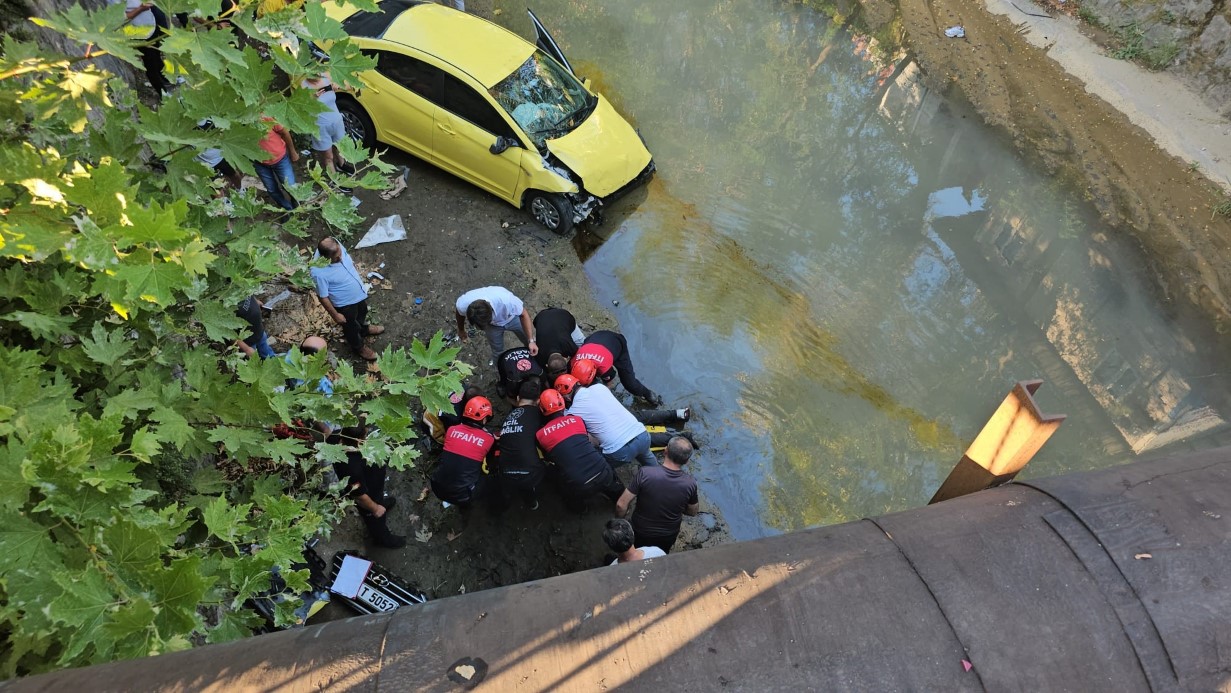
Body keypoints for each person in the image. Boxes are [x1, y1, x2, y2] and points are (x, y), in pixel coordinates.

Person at [535, 389, 624, 512]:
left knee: (559, 480)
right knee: (613, 484)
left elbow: (549, 457)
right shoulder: (577, 420)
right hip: (603, 472)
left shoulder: (540, 435)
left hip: (579, 485)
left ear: (541, 410)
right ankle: (620, 499)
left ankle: (581, 509)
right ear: (562, 403)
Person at [557, 364, 657, 468]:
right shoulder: (599, 387)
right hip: (642, 435)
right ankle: (660, 473)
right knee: (649, 460)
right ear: (578, 382)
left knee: (599, 468)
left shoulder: (572, 413)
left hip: (619, 451)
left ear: (566, 398)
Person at [615, 436, 699, 554]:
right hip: (668, 535)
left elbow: (621, 505)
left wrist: (619, 523)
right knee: (660, 556)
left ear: (665, 451)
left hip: (640, 531)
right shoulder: (690, 483)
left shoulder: (645, 473)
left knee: (636, 554)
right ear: (686, 461)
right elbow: (693, 511)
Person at [311, 236, 384, 361]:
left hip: (358, 294)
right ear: (325, 259)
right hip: (344, 304)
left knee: (363, 311)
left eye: (340, 254)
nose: (340, 258)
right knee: (351, 327)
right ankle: (358, 347)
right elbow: (323, 297)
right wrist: (335, 315)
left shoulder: (335, 244)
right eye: (336, 258)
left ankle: (363, 330)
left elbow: (344, 255)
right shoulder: (318, 273)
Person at [430, 396, 496, 507]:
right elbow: (490, 461)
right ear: (484, 418)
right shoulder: (488, 439)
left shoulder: (451, 430)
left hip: (436, 486)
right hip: (462, 495)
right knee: (491, 480)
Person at [495, 379, 548, 510]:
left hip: (504, 473)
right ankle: (533, 500)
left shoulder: (509, 417)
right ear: (538, 401)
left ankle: (521, 500)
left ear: (518, 398)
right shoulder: (538, 414)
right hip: (531, 473)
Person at [573, 330, 660, 405]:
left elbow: (609, 385)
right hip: (595, 338)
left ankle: (648, 394)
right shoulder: (573, 362)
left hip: (616, 342)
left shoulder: (604, 369)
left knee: (630, 384)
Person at [455, 286, 537, 359]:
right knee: (497, 352)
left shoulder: (507, 301)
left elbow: (523, 314)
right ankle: (501, 367)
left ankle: (535, 357)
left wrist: (531, 341)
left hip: (512, 318)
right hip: (492, 327)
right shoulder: (463, 304)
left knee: (530, 341)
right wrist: (461, 330)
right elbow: (459, 313)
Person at [302, 74, 355, 178]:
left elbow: (350, 86)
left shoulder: (326, 76)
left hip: (336, 121)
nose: (316, 74)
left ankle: (341, 165)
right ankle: (334, 178)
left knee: (340, 148)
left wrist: (339, 85)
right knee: (328, 156)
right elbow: (302, 108)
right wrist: (312, 98)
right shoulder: (304, 85)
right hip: (320, 127)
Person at [112, 0, 169, 94]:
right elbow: (119, 19)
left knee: (156, 54)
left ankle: (165, 78)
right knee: (150, 64)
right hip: (139, 34)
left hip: (151, 26)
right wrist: (141, 8)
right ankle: (162, 93)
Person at [254, 117, 299, 211]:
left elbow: (284, 132)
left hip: (280, 159)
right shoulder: (239, 123)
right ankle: (287, 209)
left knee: (290, 186)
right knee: (272, 189)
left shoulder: (265, 116)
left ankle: (296, 204)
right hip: (259, 162)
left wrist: (293, 151)